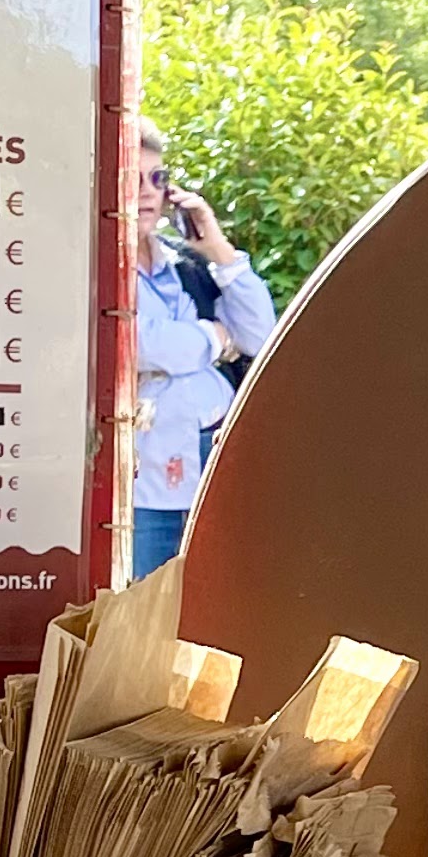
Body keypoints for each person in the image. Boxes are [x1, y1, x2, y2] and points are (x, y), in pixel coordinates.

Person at [129, 122, 276, 577]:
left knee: (211, 605)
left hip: (211, 466)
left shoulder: (186, 264)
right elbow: (139, 344)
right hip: (143, 482)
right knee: (145, 606)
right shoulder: (93, 267)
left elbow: (258, 334)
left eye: (157, 178)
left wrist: (219, 250)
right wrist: (214, 338)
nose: (147, 192)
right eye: (132, 178)